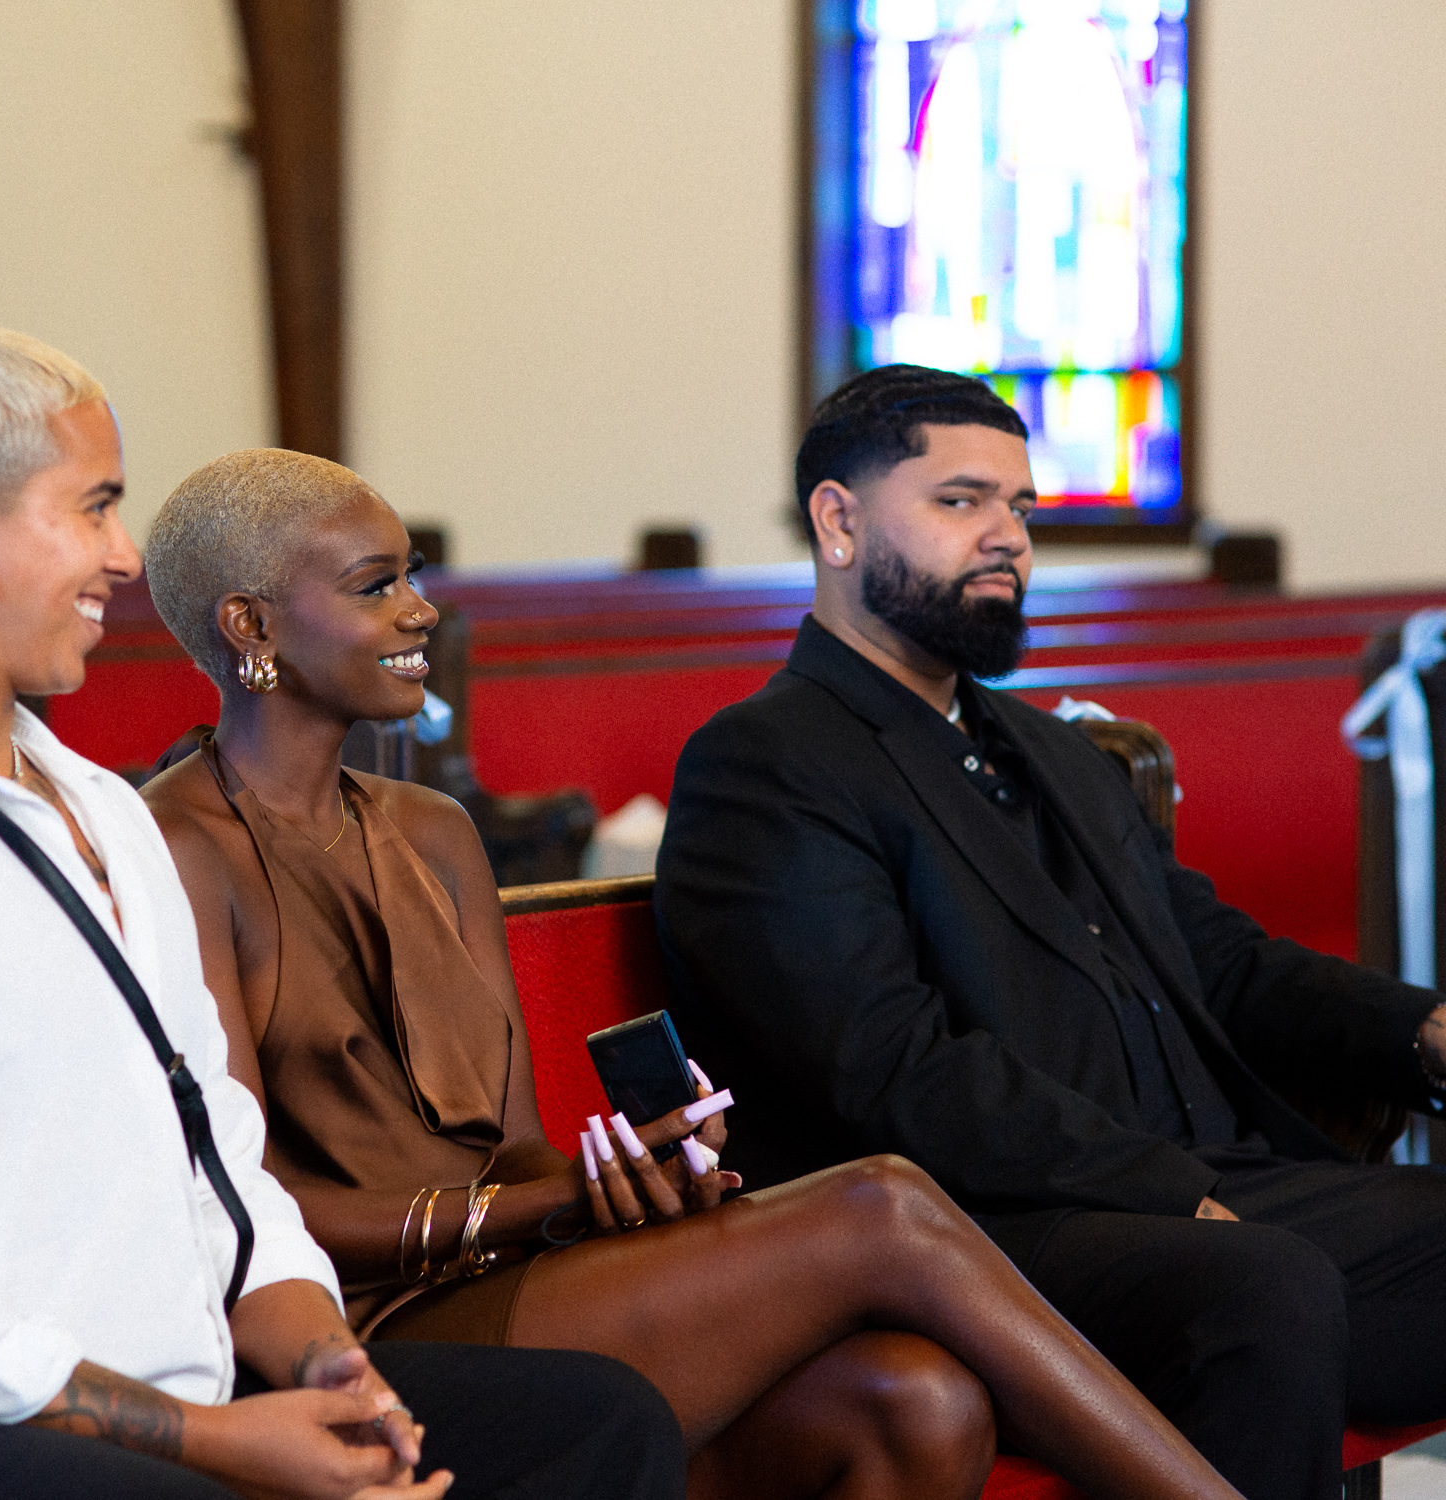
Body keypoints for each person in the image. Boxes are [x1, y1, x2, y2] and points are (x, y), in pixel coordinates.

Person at [0, 323, 688, 1500]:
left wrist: (329, 1364)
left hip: (154, 1388)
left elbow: (219, 1157)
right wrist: (213, 1440)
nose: (125, 558)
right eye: (92, 508)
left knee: (598, 1426)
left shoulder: (99, 815)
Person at [138, 446, 1244, 1500]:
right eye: (377, 586)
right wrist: (540, 1208)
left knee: (917, 1401)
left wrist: (631, 1180)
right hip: (356, 1318)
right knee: (883, 1202)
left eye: (414, 578)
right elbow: (239, 1208)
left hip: (508, 1269)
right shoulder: (177, 848)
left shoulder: (433, 833)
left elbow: (512, 1140)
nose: (421, 610)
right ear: (251, 623)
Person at [653, 362, 1446, 1500]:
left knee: (1285, 1269)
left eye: (1019, 508)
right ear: (836, 521)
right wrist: (1165, 1192)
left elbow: (1220, 966)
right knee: (1260, 1290)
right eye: (958, 501)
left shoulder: (1058, 752)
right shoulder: (767, 764)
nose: (1007, 538)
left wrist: (1420, 1036)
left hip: (1188, 1188)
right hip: (977, 1224)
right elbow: (884, 1068)